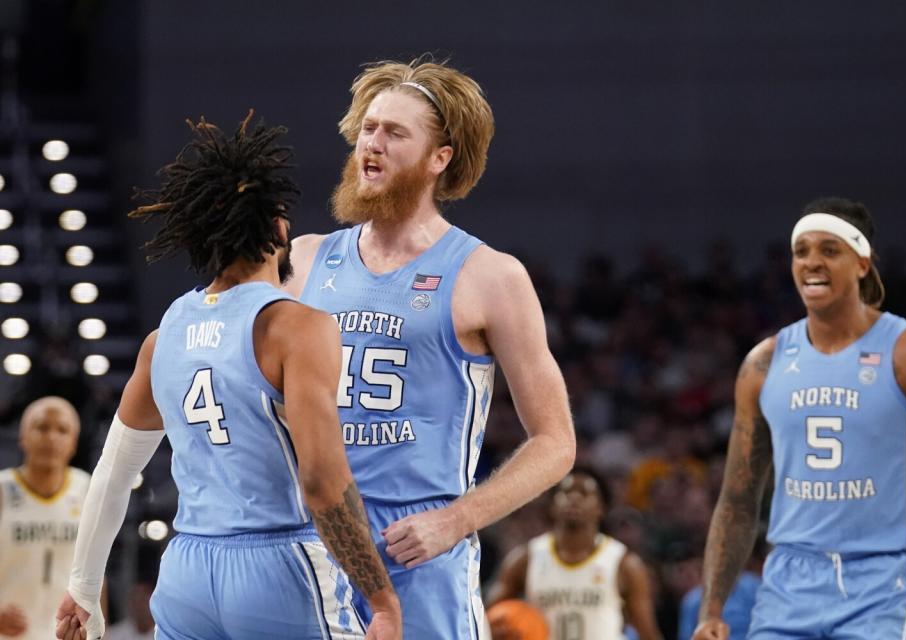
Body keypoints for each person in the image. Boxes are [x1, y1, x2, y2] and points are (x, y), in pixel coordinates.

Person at [53, 112, 401, 640]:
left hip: (187, 570)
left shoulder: (162, 337)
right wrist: (381, 599)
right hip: (278, 565)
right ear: (280, 228)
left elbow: (113, 476)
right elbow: (322, 481)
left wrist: (82, 587)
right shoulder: (297, 326)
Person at [284, 56, 577, 638]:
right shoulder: (305, 257)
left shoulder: (489, 275)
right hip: (307, 541)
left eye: (395, 133)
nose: (372, 143)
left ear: (439, 159)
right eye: (368, 128)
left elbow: (556, 442)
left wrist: (457, 519)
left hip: (415, 550)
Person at [694, 197, 906, 640]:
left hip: (883, 582)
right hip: (789, 582)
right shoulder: (764, 364)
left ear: (861, 263)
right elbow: (738, 499)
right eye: (802, 251)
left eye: (829, 250)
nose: (812, 262)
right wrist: (711, 609)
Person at [488, 468, 663, 640]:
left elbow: (647, 633)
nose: (574, 498)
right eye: (566, 492)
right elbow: (484, 617)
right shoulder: (525, 558)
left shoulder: (624, 563)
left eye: (584, 493)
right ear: (552, 505)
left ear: (601, 508)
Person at [0, 397, 92, 640]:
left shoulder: (87, 489)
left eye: (62, 430)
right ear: (23, 436)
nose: (51, 437)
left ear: (74, 442)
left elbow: (95, 571)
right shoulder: (2, 488)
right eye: (41, 427)